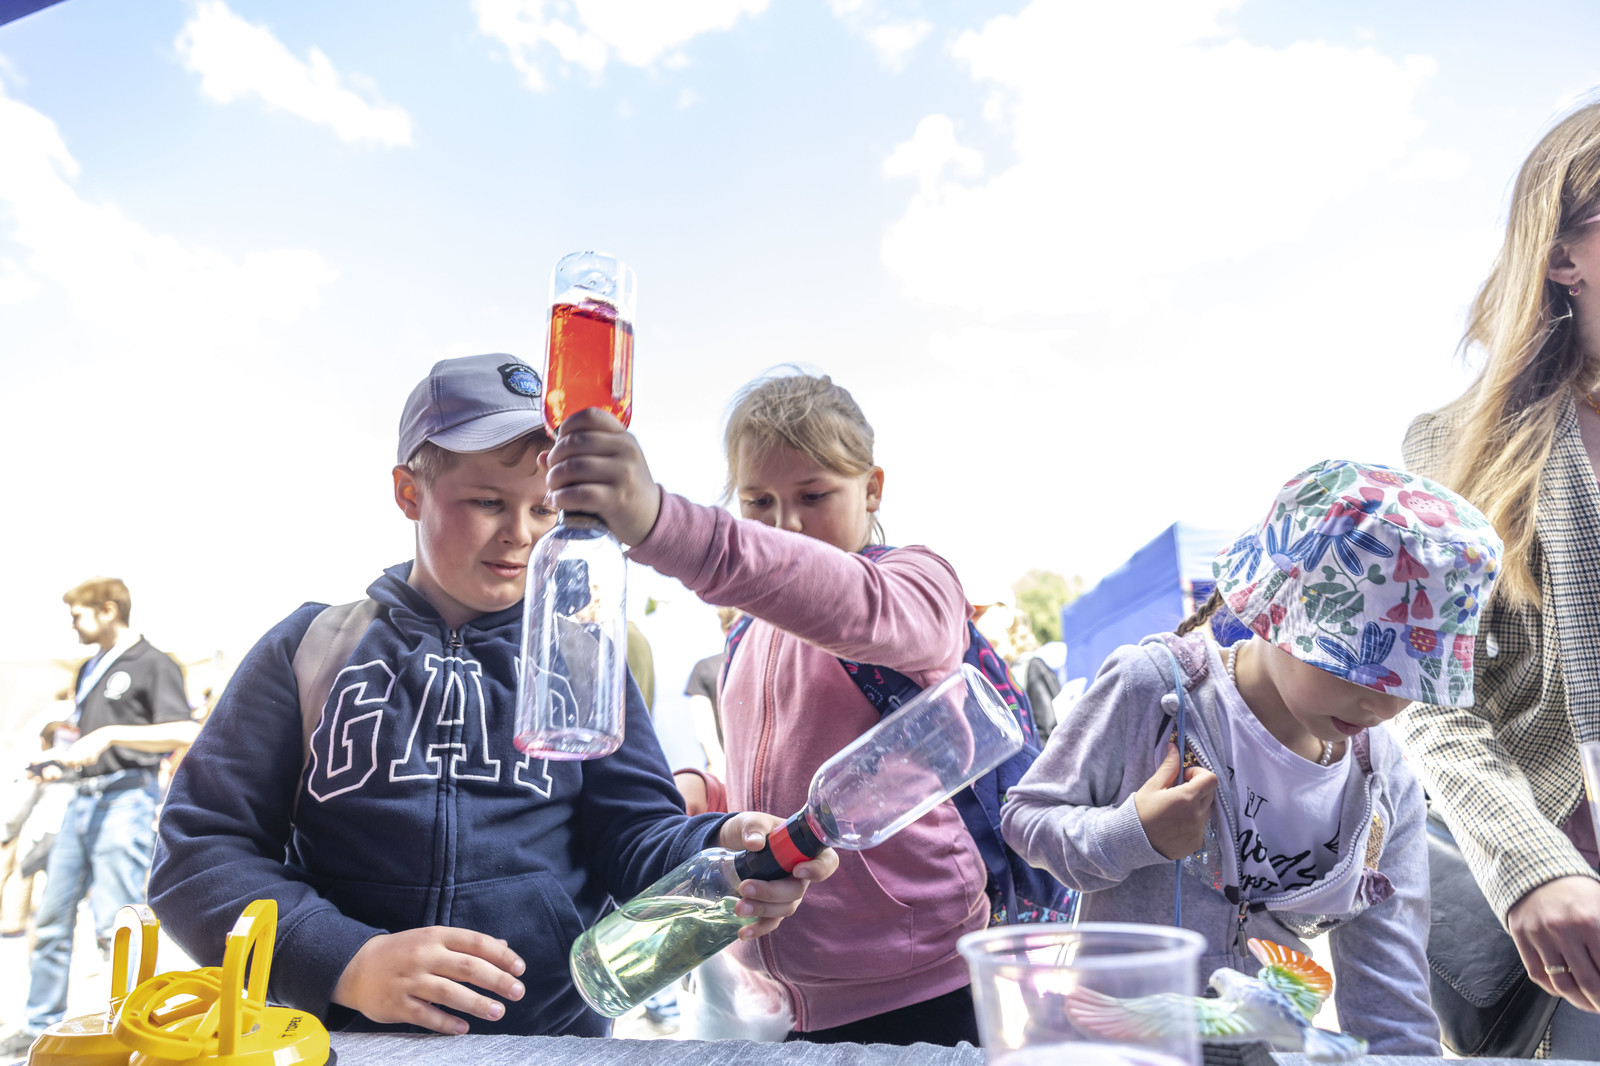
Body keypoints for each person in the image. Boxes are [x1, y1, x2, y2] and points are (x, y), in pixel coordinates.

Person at [145, 353, 835, 1039]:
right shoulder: (310, 647)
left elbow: (633, 834)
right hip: (337, 1040)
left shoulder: (583, 657)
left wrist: (719, 846)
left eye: (545, 509)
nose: (521, 533)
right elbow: (196, 853)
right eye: (487, 503)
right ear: (408, 492)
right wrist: (346, 961)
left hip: (550, 1041)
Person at [999, 460, 1504, 1056]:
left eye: (1412, 677)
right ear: (1278, 609)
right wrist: (1134, 833)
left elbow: (1391, 1000)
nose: (1381, 704)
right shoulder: (1153, 693)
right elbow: (1026, 819)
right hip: (1117, 1047)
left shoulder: (1383, 781)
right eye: (1355, 666)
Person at [542, 371, 987, 1046]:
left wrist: (660, 521)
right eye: (758, 502)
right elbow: (780, 777)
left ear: (872, 489)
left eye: (814, 495)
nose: (786, 525)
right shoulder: (746, 636)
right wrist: (706, 795)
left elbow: (849, 602)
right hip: (784, 1006)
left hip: (923, 984)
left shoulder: (917, 585)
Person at [1394, 98, 1600, 1057]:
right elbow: (1429, 699)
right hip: (1574, 921)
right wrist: (1529, 866)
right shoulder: (1454, 449)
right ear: (1563, 257)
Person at [0, 579, 198, 1056]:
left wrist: (110, 734)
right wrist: (58, 760)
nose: (73, 626)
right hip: (79, 797)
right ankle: (38, 1024)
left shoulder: (153, 662)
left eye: (78, 616)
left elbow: (185, 729)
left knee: (117, 925)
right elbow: (82, 742)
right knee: (52, 919)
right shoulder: (91, 666)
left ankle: (128, 1031)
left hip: (125, 798)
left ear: (109, 610)